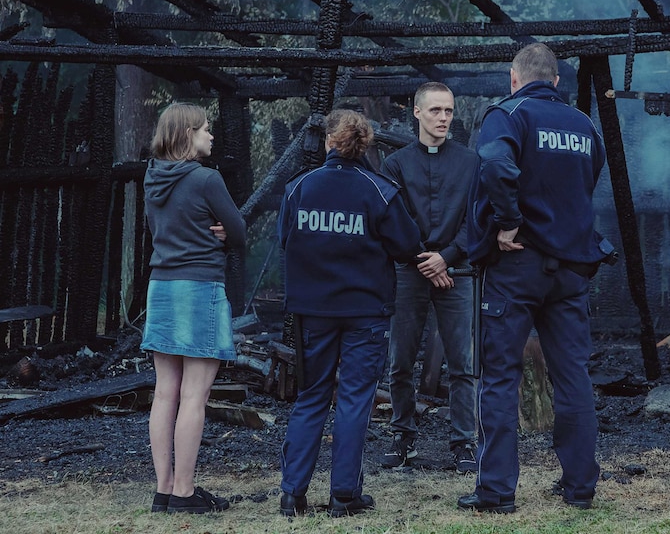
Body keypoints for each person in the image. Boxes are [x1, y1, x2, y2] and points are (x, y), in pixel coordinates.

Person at [457, 43, 614, 514]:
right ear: (557, 81)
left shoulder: (509, 114)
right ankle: (580, 487)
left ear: (513, 77)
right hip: (571, 269)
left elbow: (496, 164)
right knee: (573, 376)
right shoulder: (584, 124)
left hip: (517, 264)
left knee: (501, 377)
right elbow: (590, 177)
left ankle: (496, 493)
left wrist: (507, 221)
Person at [277, 109, 423, 518]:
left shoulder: (298, 188)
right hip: (366, 312)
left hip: (312, 311)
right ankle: (344, 495)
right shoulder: (378, 190)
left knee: (311, 397)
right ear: (365, 144)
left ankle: (292, 493)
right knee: (355, 400)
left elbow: (285, 238)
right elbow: (408, 245)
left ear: (328, 141)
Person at [141, 102, 246, 514]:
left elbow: (160, 229)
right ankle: (185, 492)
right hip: (200, 286)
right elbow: (237, 232)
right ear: (188, 135)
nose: (211, 136)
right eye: (206, 130)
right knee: (194, 396)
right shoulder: (206, 179)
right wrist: (220, 231)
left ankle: (163, 490)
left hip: (161, 286)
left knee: (165, 392)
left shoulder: (153, 176)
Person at [379, 82, 479, 473]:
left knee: (462, 363)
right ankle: (402, 438)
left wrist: (448, 257)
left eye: (449, 111)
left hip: (459, 272)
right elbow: (394, 221)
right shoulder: (396, 163)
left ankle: (463, 443)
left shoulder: (471, 162)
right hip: (410, 272)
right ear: (416, 113)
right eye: (435, 110)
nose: (443, 118)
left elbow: (478, 219)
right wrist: (427, 262)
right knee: (401, 360)